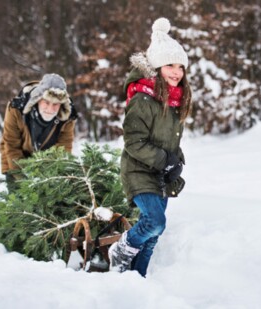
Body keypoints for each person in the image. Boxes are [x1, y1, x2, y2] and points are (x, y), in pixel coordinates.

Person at [109, 17, 192, 276]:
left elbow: (170, 140)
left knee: (153, 238)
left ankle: (136, 280)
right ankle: (121, 250)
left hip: (161, 174)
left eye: (180, 66)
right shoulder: (143, 100)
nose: (176, 71)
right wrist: (163, 160)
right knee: (154, 223)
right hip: (139, 170)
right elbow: (134, 141)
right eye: (170, 65)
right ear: (157, 66)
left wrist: (176, 162)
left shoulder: (174, 101)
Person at [0, 73, 77, 190]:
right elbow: (11, 146)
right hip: (16, 158)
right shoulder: (16, 109)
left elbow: (64, 148)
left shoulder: (68, 117)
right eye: (46, 102)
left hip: (46, 161)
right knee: (21, 200)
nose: (50, 110)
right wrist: (24, 181)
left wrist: (52, 177)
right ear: (38, 99)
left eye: (55, 104)